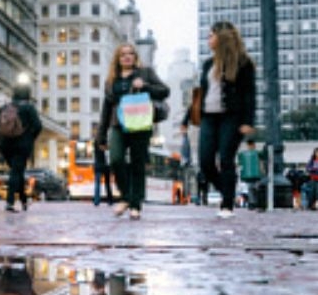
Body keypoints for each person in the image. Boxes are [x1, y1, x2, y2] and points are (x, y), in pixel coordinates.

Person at [181, 21, 256, 218]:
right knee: (205, 161)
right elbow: (200, 94)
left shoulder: (243, 63)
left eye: (211, 36)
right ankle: (228, 191)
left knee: (226, 159)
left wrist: (248, 121)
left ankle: (227, 204)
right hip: (208, 117)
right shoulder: (207, 64)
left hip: (231, 117)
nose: (208, 39)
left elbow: (249, 94)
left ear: (221, 38)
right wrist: (186, 119)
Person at [95, 43, 170, 220]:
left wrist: (144, 86)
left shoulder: (145, 73)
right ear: (118, 59)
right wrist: (101, 135)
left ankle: (136, 205)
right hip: (118, 125)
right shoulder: (111, 80)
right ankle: (126, 196)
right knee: (115, 159)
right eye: (123, 55)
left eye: (130, 54)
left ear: (135, 57)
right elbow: (106, 108)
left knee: (137, 164)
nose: (127, 57)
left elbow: (165, 91)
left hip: (140, 123)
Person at [0, 83, 43, 212]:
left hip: (5, 145)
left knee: (18, 172)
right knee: (15, 173)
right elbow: (38, 126)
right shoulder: (29, 108)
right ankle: (10, 202)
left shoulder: (5, 107)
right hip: (22, 145)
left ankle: (23, 200)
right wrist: (30, 138)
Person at [237, 137, 263, 210]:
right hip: (255, 175)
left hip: (250, 175)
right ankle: (254, 203)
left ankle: (252, 203)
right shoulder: (257, 153)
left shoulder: (244, 154)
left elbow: (240, 164)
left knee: (252, 188)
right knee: (253, 188)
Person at [92, 139, 115, 207]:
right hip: (105, 166)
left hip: (98, 166)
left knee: (98, 184)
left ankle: (96, 201)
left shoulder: (96, 142)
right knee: (107, 184)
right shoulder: (106, 143)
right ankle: (110, 200)